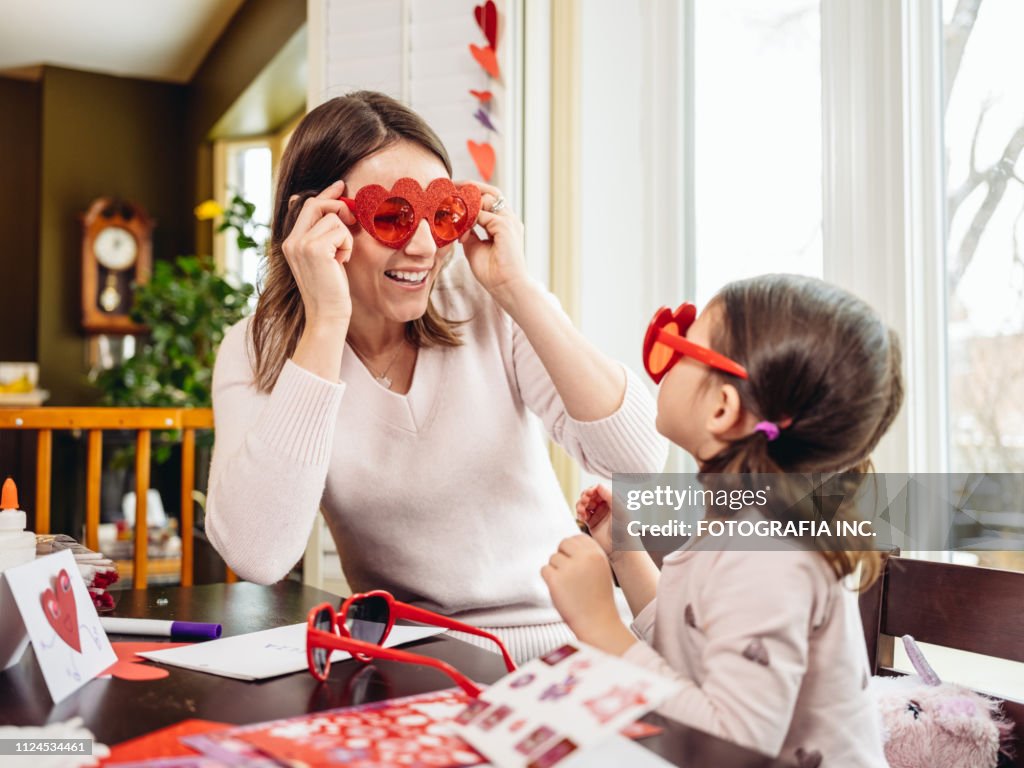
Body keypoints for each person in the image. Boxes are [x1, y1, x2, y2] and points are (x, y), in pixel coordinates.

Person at [205, 91, 666, 662]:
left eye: (441, 214)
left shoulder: (489, 301)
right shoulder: (257, 350)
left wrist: (518, 290)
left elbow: (638, 462)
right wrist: (325, 323)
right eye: (392, 217)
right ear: (314, 221)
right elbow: (257, 554)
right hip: (420, 663)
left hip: (575, 639)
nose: (424, 247)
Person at [541, 274, 903, 765]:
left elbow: (735, 741)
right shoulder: (741, 524)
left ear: (722, 407)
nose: (668, 360)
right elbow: (685, 643)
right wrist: (623, 555)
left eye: (684, 345)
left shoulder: (770, 556)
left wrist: (601, 626)